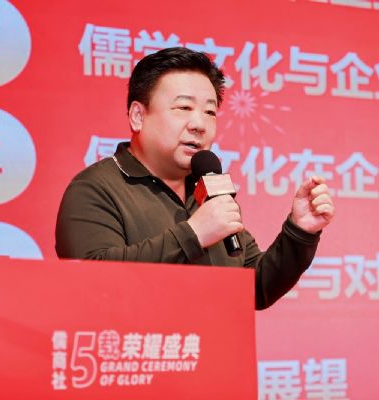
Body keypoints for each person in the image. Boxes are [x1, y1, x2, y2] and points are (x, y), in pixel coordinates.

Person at [55, 47, 335, 310]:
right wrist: (193, 235)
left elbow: (255, 286)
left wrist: (299, 232)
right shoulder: (94, 189)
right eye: (183, 108)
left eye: (210, 112)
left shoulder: (209, 191)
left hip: (217, 346)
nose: (200, 124)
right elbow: (93, 283)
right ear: (138, 116)